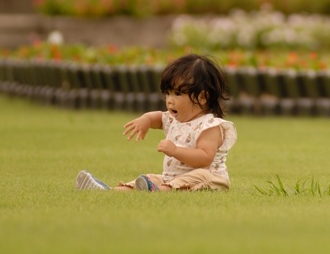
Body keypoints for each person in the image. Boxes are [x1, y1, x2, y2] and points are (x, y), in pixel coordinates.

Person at [75, 53, 237, 192]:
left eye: (178, 93)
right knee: (150, 178)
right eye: (167, 93)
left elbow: (204, 158)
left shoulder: (209, 126)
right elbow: (159, 117)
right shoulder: (175, 119)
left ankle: (156, 190)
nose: (169, 101)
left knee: (199, 176)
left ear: (202, 97)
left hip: (210, 178)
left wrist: (175, 150)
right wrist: (146, 119)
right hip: (173, 178)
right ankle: (108, 190)